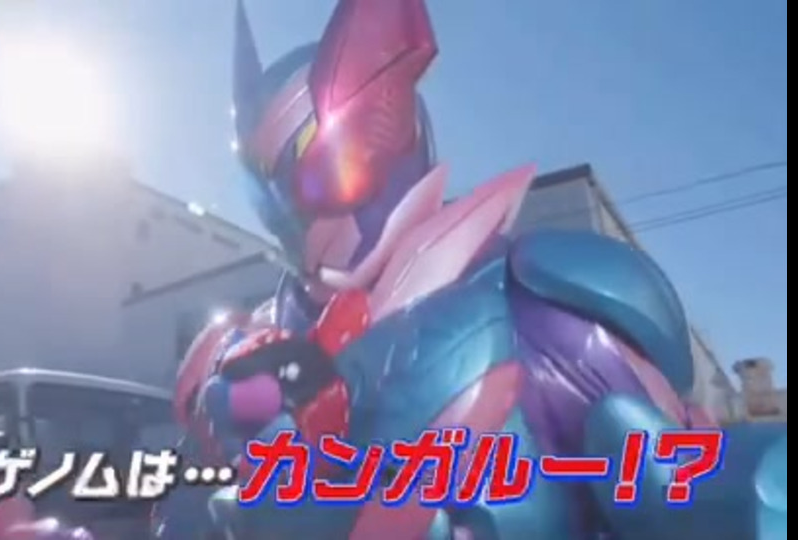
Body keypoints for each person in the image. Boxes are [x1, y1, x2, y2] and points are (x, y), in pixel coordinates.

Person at [158, 1, 787, 538]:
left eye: (311, 166)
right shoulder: (261, 348)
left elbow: (676, 486)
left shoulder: (539, 306)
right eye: (271, 186)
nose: (296, 213)